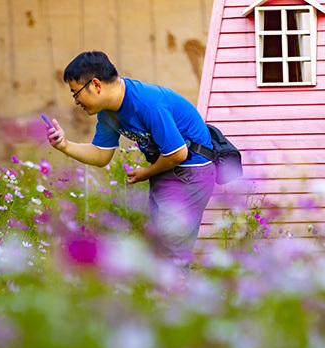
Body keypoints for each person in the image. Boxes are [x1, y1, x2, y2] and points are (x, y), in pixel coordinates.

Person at [47, 51, 216, 267]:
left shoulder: (147, 103)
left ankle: (174, 298)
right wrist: (64, 145)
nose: (76, 101)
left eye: (76, 93)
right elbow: (101, 155)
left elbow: (178, 154)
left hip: (192, 168)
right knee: (158, 248)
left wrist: (146, 172)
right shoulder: (107, 113)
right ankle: (165, 296)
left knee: (172, 249)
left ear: (96, 85)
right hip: (166, 168)